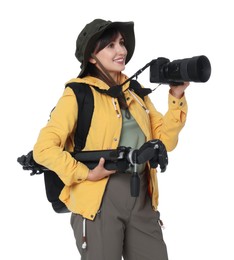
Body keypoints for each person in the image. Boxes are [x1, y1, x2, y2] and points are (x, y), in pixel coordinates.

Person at [33, 18, 189, 260]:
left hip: (142, 194)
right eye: (111, 46)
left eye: (122, 43)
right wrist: (86, 174)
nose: (122, 51)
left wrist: (176, 96)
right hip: (98, 200)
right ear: (92, 57)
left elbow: (164, 140)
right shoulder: (78, 93)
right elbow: (43, 149)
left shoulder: (135, 92)